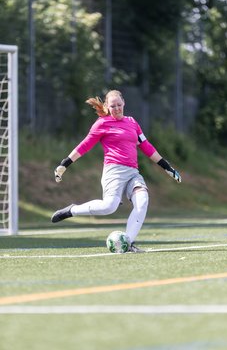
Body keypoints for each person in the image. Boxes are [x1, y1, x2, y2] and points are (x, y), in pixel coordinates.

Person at [51, 90, 181, 252]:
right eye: (113, 106)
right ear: (106, 106)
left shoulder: (132, 122)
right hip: (114, 172)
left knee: (142, 201)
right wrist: (64, 164)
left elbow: (146, 147)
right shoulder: (102, 123)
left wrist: (167, 167)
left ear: (124, 103)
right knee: (109, 207)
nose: (117, 109)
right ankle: (72, 210)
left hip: (133, 173)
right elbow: (84, 146)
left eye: (119, 105)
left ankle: (128, 243)